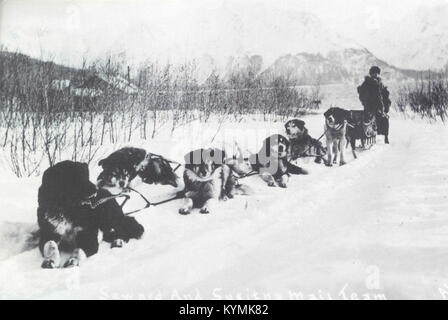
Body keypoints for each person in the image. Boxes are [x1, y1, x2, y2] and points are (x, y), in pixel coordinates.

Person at [357, 66, 391, 144]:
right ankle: (368, 134)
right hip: (369, 106)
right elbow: (362, 94)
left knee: (384, 119)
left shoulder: (380, 83)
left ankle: (385, 136)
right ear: (371, 74)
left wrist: (385, 103)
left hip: (378, 106)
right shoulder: (366, 83)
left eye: (376, 73)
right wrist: (365, 101)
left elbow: (383, 95)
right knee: (368, 120)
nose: (375, 75)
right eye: (373, 73)